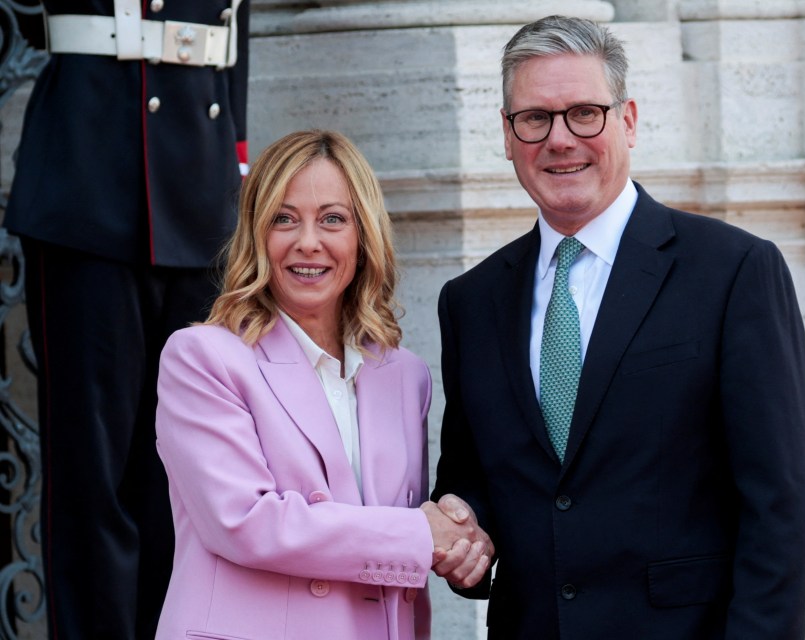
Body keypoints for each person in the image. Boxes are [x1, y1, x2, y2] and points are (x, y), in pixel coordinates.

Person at [431, 15, 805, 639]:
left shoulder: (733, 271)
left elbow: (779, 508)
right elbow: (474, 478)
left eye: (585, 112)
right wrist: (461, 525)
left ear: (628, 120)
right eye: (535, 118)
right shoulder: (470, 302)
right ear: (507, 135)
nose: (560, 139)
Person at [154, 129, 492, 640]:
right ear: (257, 235)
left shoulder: (404, 375)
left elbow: (402, 557)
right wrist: (422, 534)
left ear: (363, 236)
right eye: (284, 219)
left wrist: (461, 547)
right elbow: (246, 522)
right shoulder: (202, 358)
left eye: (332, 219)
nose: (307, 241)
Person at [2, 1, 249, 637]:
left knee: (188, 479)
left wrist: (237, 167)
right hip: (91, 183)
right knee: (94, 479)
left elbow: (232, 31)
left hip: (202, 185)